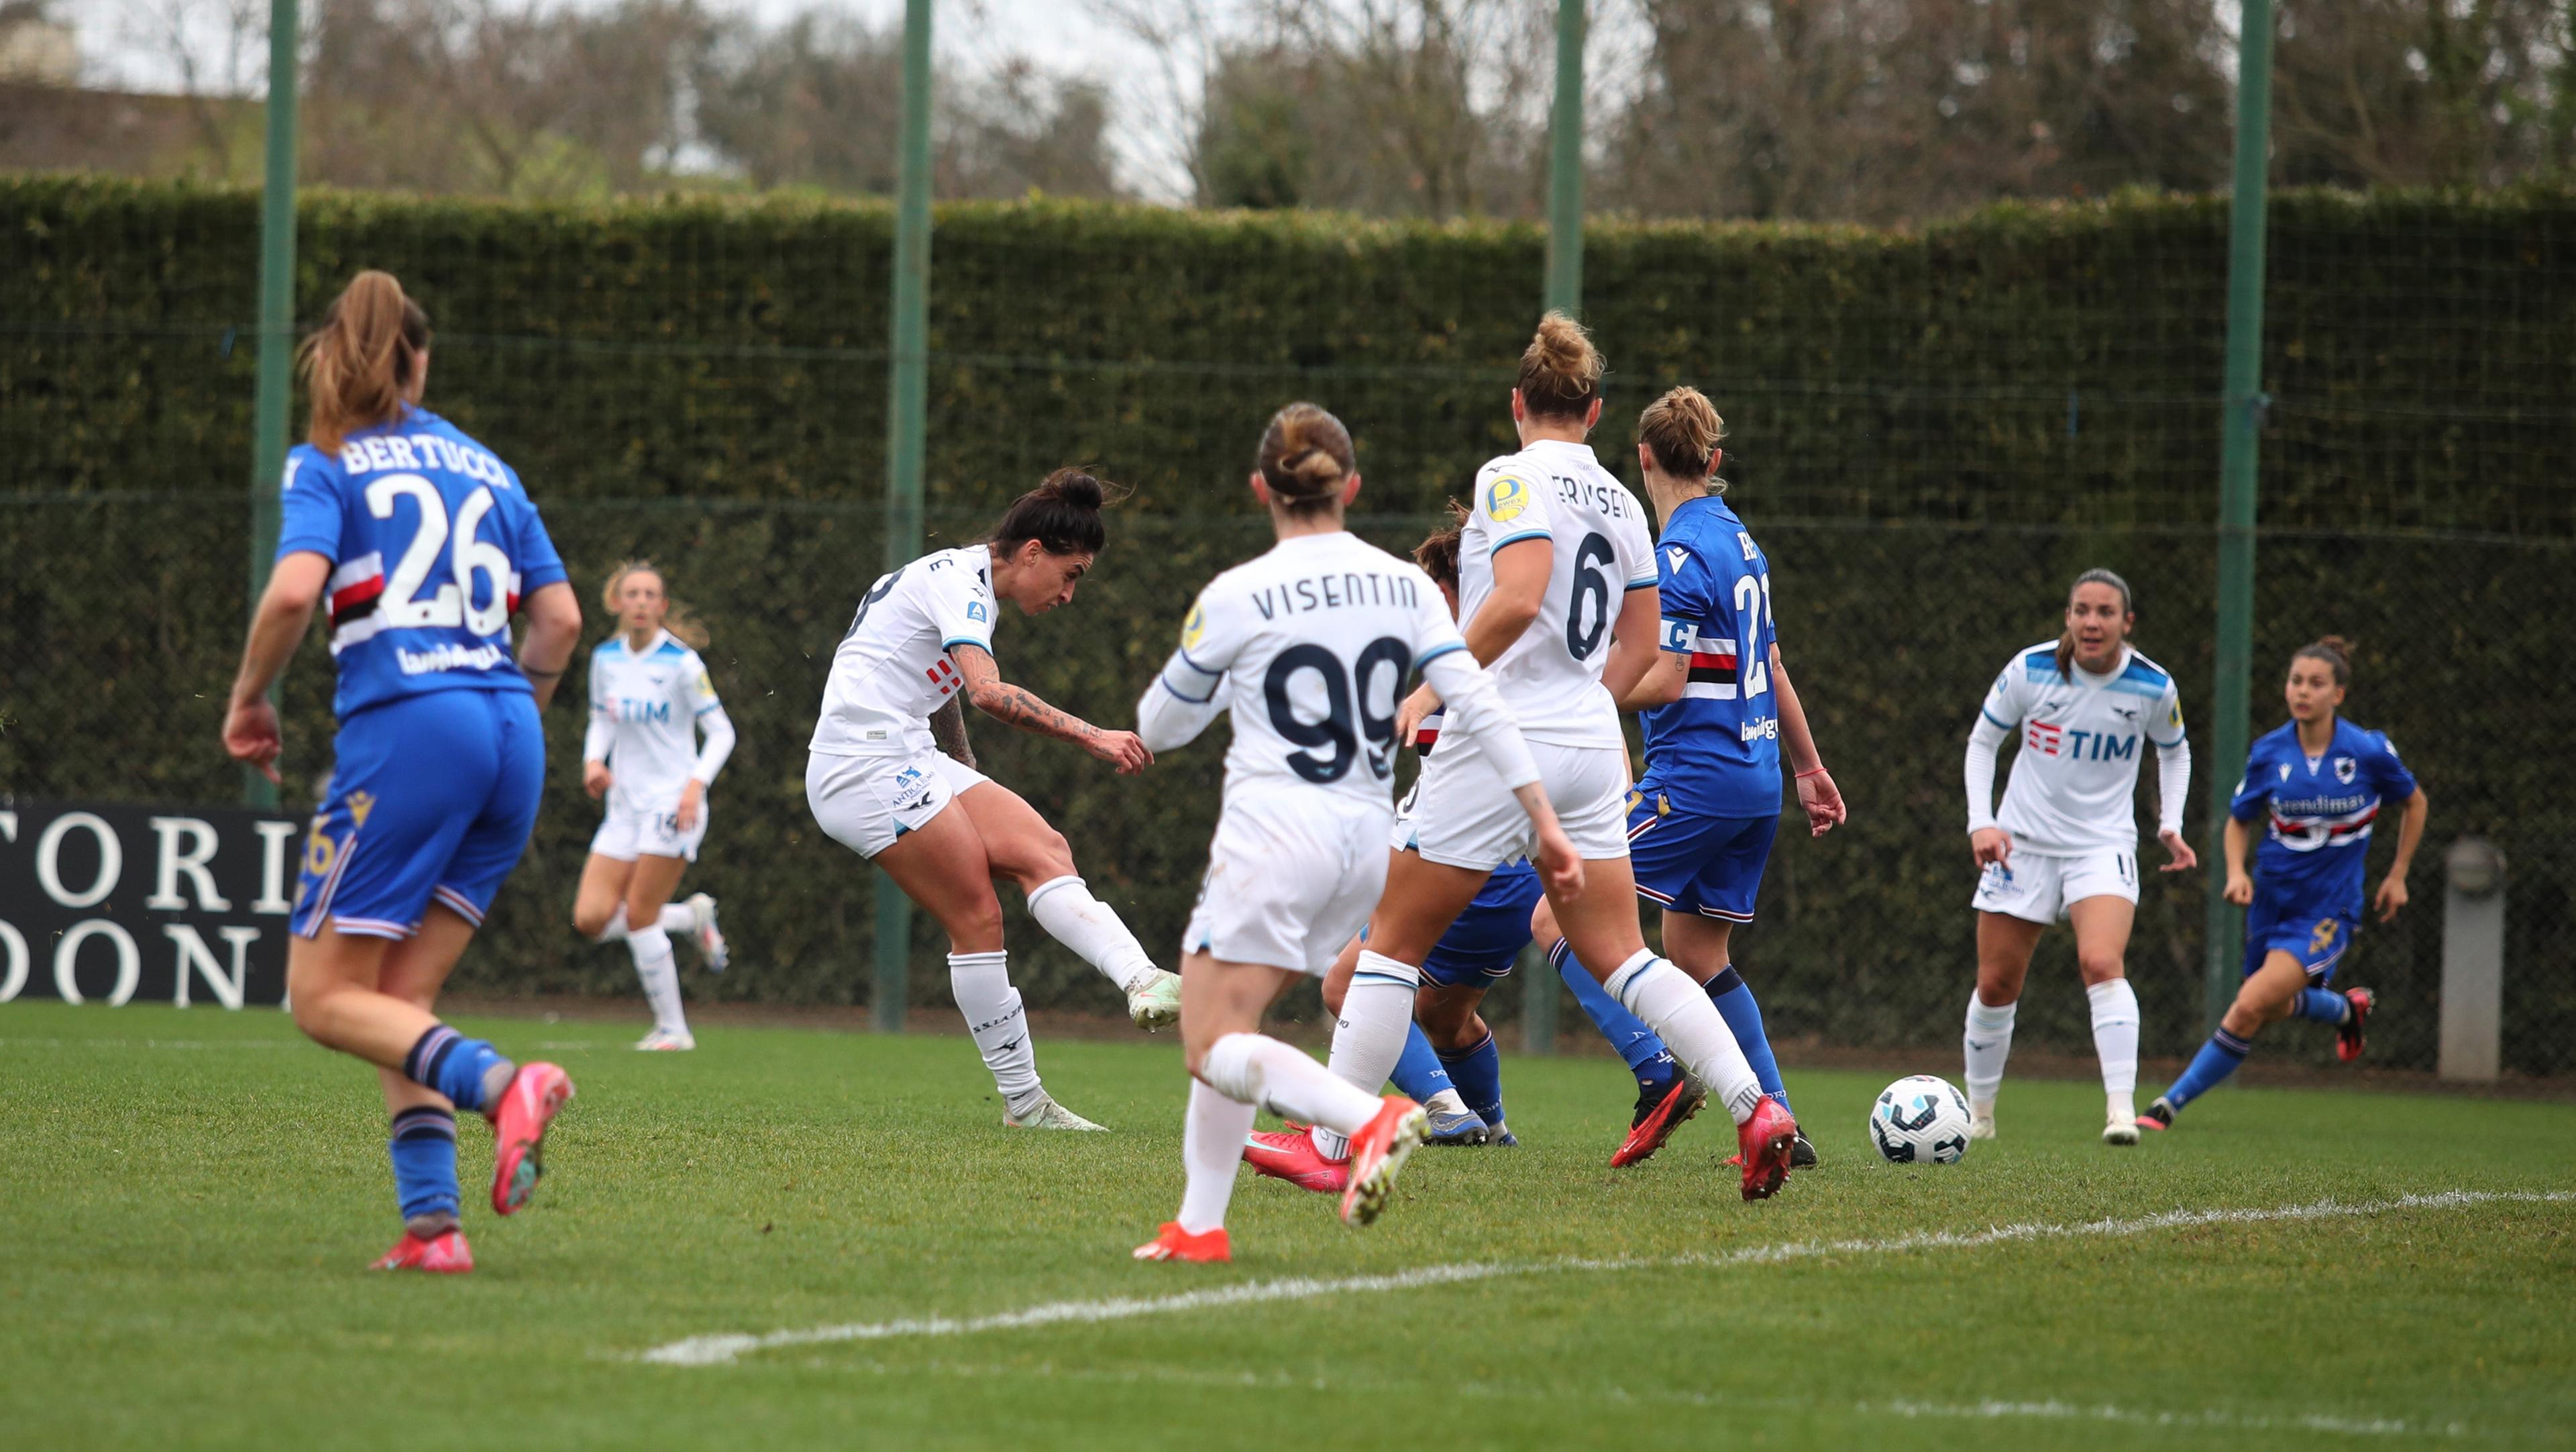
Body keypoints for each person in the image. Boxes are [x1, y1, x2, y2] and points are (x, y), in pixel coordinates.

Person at [1263, 315, 1802, 1204]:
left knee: (1389, 948)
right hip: (1593, 742)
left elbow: (1515, 598)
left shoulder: (1508, 479)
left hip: (1500, 736)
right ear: (1594, 411)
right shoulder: (1627, 506)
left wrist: (1438, 684)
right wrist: (1582, 703)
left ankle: (1331, 1140)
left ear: (1519, 403)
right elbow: (1637, 645)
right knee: (1626, 956)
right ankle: (1757, 1110)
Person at [1130, 402, 1581, 1263]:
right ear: (1353, 487)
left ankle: (1367, 1118)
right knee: (1239, 1020)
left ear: (1261, 486)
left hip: (1275, 835)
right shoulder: (1406, 585)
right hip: (1364, 844)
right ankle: (1199, 1225)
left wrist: (1221, 687)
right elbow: (1478, 702)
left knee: (1209, 1039)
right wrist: (1544, 820)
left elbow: (1158, 726)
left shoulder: (1239, 593)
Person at [221, 269, 580, 1275]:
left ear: (333, 362)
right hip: (513, 728)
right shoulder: (491, 468)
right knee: (394, 1001)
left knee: (322, 998)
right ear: (419, 362)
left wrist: (250, 696)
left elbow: (295, 594)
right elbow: (560, 621)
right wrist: (505, 725)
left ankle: (504, 1083)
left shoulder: (325, 461)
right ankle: (434, 1229)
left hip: (411, 728)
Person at [1264, 509, 1682, 1172]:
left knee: (1349, 981)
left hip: (1479, 871)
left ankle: (1442, 1111)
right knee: (1445, 1016)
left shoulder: (1479, 664)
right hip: (1512, 880)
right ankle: (1491, 1124)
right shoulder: (1519, 665)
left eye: (1437, 587)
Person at [806, 468, 1184, 1131]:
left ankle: (1141, 977)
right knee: (978, 917)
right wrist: (1092, 734)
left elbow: (940, 681)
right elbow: (984, 690)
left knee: (1044, 849)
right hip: (860, 763)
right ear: (1033, 551)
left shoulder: (959, 580)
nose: (1069, 593)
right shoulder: (961, 582)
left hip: (906, 752)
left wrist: (962, 767)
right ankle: (1025, 1103)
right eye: (1071, 574)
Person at [1540, 385, 1846, 1169]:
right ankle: (1779, 1119)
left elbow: (1668, 676)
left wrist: (1579, 697)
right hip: (1757, 780)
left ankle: (1659, 1075)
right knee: (1696, 949)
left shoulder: (1675, 554)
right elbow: (1771, 666)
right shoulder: (1745, 545)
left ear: (1641, 456)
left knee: (1554, 915)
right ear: (1712, 461)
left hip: (1696, 782)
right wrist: (1808, 767)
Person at [2139, 637, 2427, 1129]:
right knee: (2264, 1009)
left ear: (2339, 694)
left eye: (2317, 684)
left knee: (2250, 1003)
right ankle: (2342, 1010)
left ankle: (2165, 1108)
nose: (2303, 692)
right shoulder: (2270, 752)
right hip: (2272, 902)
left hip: (2328, 907)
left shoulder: (2367, 751)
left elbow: (2414, 802)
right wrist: (2235, 872)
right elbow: (2239, 819)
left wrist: (2398, 874)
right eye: (2296, 681)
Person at [1961, 568, 2194, 1146]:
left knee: (2100, 962)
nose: (2093, 622)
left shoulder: (2152, 686)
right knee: (1995, 984)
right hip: (2023, 844)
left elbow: (2176, 750)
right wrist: (1982, 822)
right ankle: (1979, 1117)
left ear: (2126, 622)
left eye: (2106, 612)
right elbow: (1984, 742)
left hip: (2102, 846)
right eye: (2082, 610)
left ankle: (2120, 1112)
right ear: (2068, 617)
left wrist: (2170, 823)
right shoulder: (2030, 669)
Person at [571, 561, 736, 1051]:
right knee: (591, 919)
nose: (641, 602)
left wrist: (694, 786)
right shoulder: (605, 659)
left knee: (641, 914)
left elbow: (723, 733)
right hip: (623, 807)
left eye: (650, 595)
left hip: (672, 805)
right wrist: (592, 761)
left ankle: (674, 1030)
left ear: (662, 607)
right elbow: (601, 719)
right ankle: (689, 919)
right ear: (617, 603)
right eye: (632, 594)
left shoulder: (683, 663)